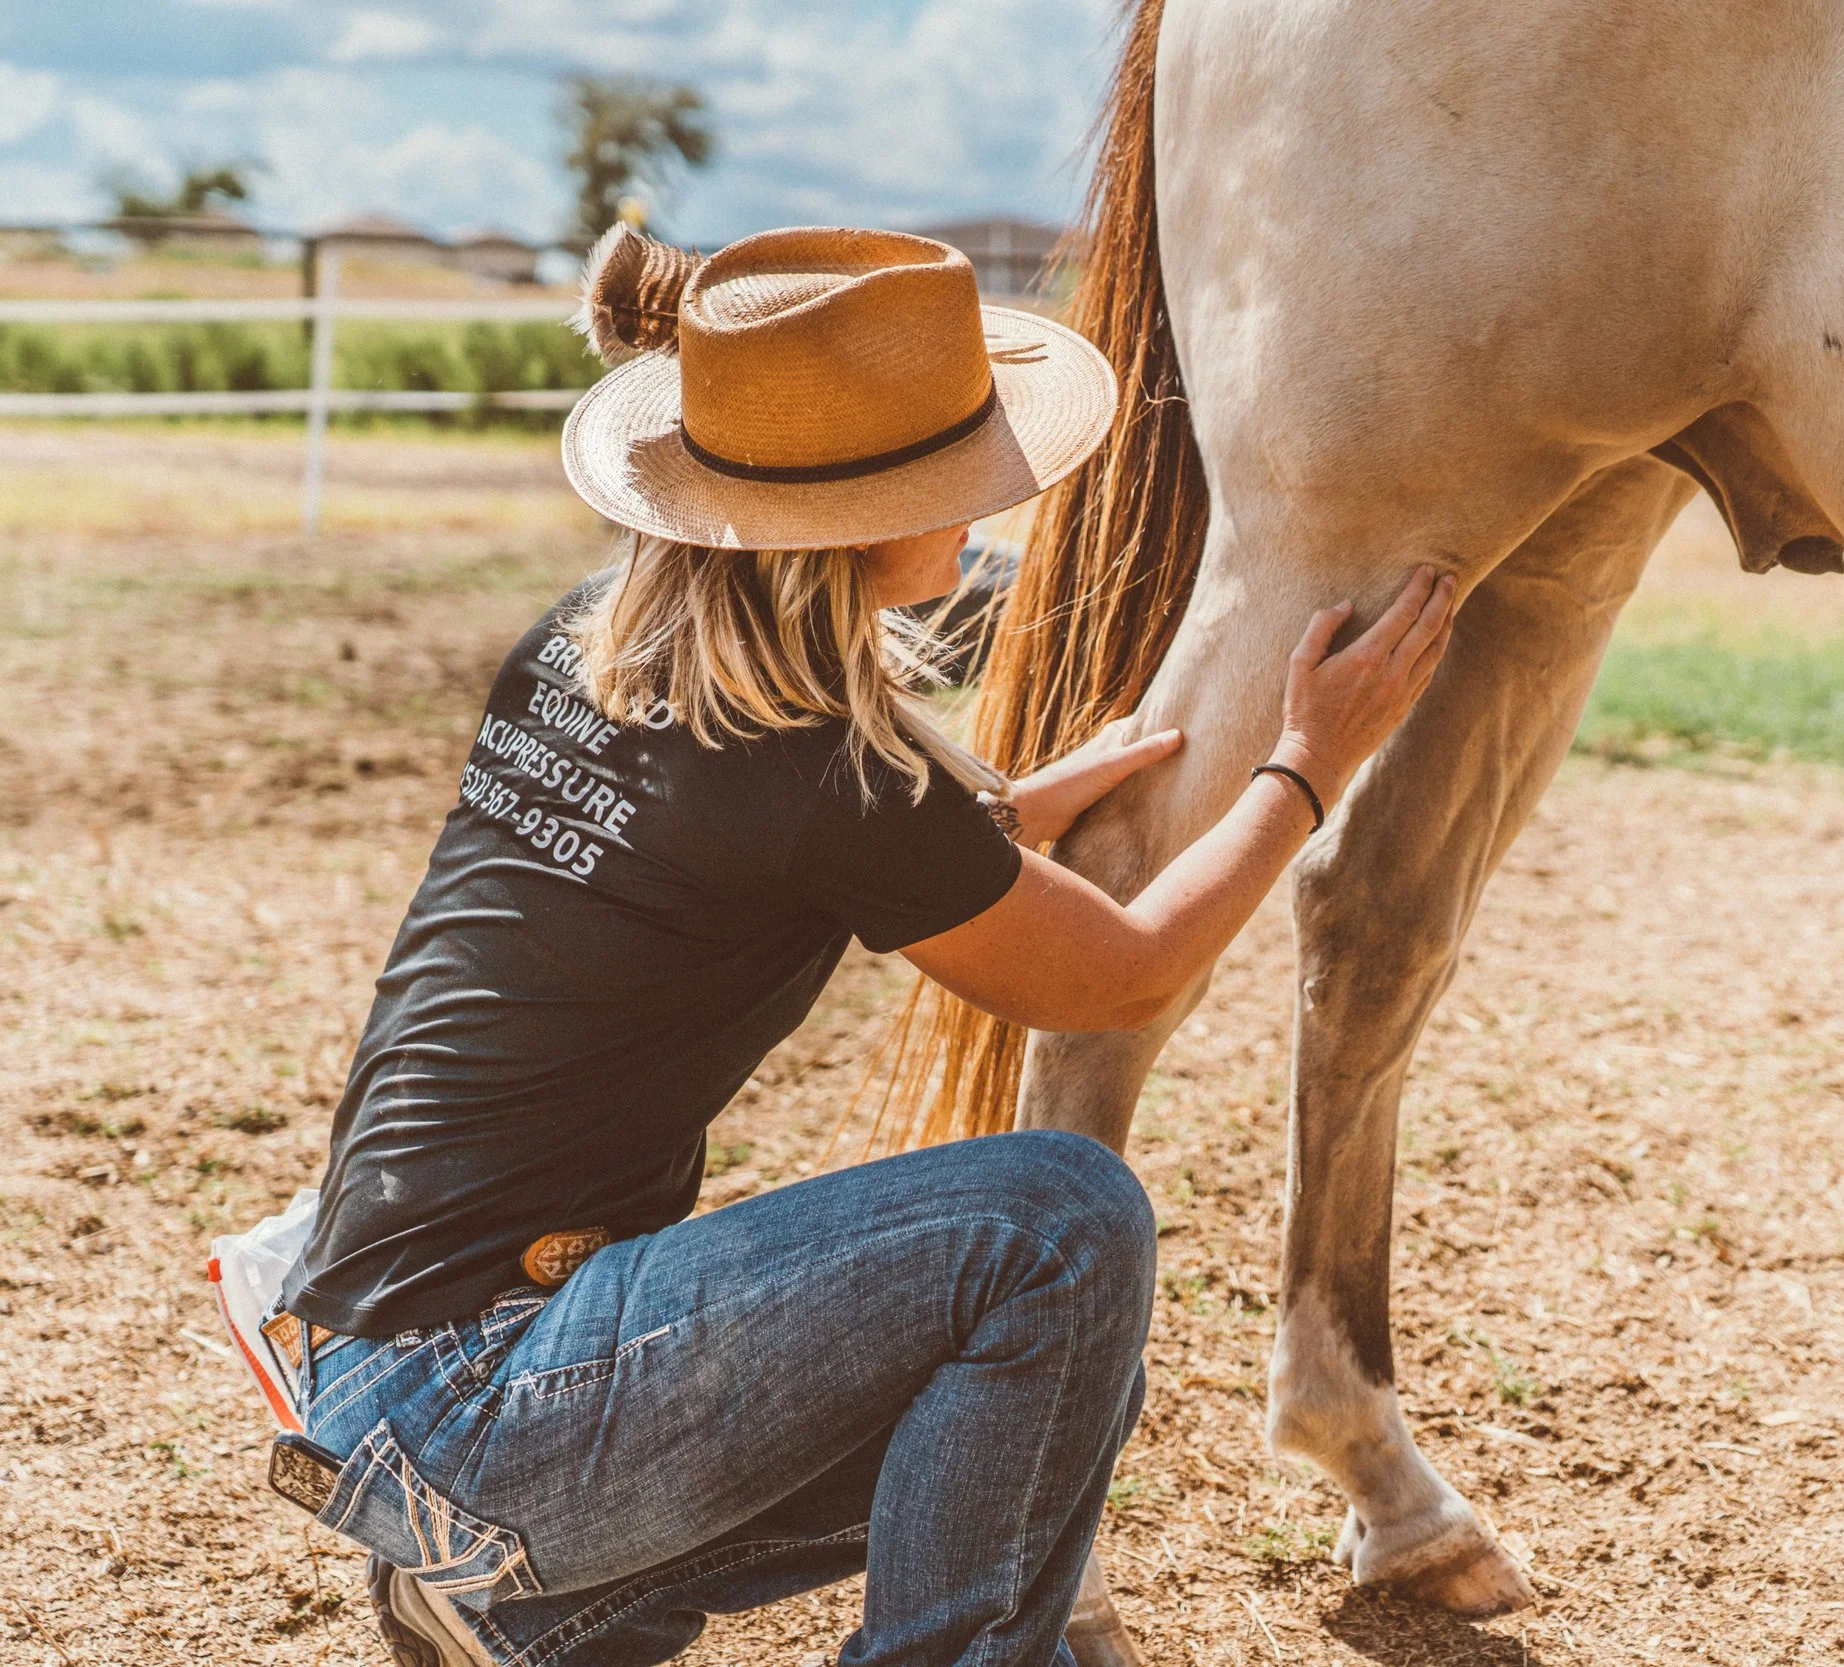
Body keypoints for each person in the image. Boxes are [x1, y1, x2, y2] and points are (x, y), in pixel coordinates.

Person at [262, 224, 1458, 1667]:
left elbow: (729, 838)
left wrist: (1005, 807)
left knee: (1067, 1385)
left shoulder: (588, 645)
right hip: (488, 1396)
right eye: (956, 478)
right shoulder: (821, 775)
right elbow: (1125, 970)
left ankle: (535, 1602)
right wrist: (1308, 769)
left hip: (378, 1364)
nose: (990, 501)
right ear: (852, 518)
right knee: (1059, 1225)